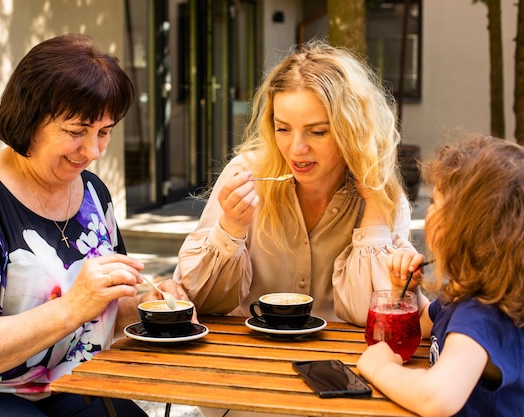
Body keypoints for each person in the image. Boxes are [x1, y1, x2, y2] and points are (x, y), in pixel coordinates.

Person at [0, 33, 190, 417]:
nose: (93, 152)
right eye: (76, 132)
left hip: (54, 384)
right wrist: (70, 308)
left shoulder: (92, 194)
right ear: (29, 119)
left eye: (104, 132)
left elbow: (105, 309)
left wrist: (149, 305)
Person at [173, 39, 428, 327]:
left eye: (317, 132)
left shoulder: (381, 197)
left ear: (352, 131)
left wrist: (375, 215)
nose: (296, 149)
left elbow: (370, 315)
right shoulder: (247, 173)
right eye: (283, 129)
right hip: (246, 356)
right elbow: (201, 302)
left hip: (341, 361)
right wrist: (230, 228)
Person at [358, 134, 524, 417]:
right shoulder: (463, 294)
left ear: (466, 228)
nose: (429, 210)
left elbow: (436, 397)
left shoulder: (482, 315)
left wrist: (380, 368)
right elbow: (423, 326)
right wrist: (407, 291)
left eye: (434, 202)